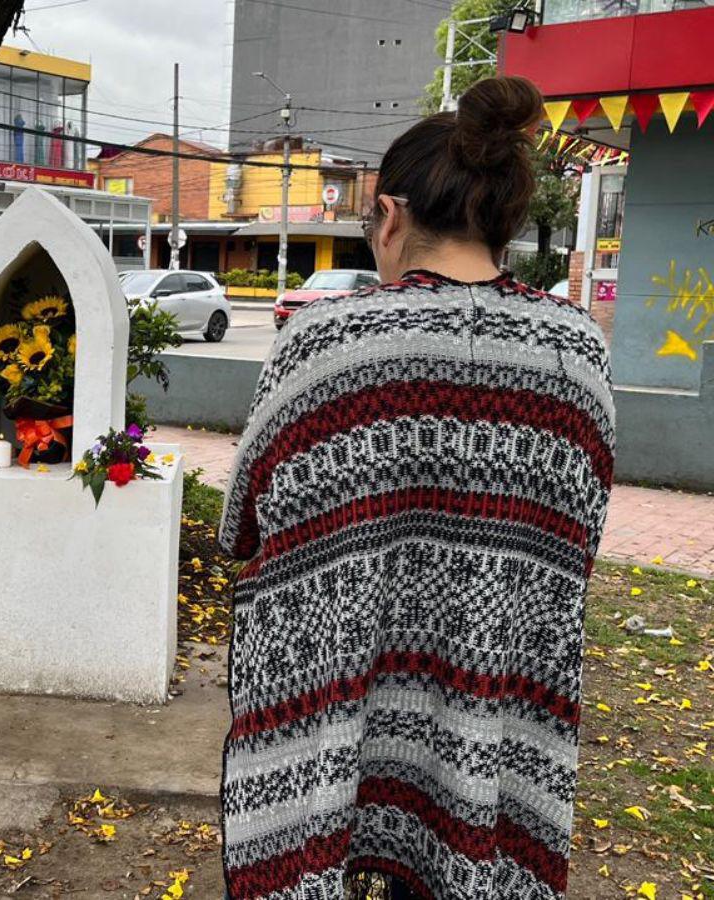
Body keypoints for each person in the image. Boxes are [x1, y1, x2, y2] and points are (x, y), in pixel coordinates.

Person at [219, 76, 614, 900]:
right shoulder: (578, 352)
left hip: (339, 717)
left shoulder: (324, 342)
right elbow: (585, 529)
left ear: (389, 215)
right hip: (489, 710)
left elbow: (243, 524)